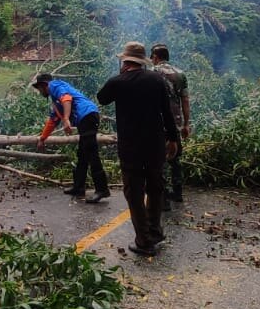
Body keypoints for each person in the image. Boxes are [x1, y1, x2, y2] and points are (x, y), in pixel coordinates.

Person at [96, 42, 181, 256]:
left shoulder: (118, 82)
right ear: (143, 61)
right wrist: (173, 138)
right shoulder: (156, 80)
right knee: (155, 187)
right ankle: (155, 231)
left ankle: (144, 241)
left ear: (125, 61)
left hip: (131, 147)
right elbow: (167, 112)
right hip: (155, 145)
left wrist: (120, 75)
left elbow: (102, 97)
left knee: (134, 192)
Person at [32, 73, 110, 203]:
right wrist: (42, 138)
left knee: (91, 153)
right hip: (85, 119)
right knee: (82, 154)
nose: (39, 92)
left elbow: (67, 98)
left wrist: (66, 119)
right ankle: (79, 187)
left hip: (88, 115)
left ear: (44, 85)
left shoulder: (55, 85)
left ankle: (102, 189)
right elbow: (53, 120)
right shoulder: (56, 101)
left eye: (39, 89)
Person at [150, 43, 191, 208]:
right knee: (175, 157)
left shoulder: (152, 74)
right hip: (176, 122)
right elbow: (185, 100)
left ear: (156, 57)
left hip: (158, 122)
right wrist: (186, 124)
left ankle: (164, 198)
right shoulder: (181, 74)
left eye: (152, 56)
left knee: (159, 159)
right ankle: (178, 193)